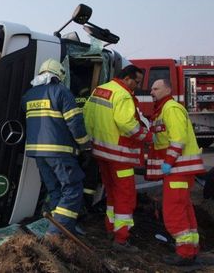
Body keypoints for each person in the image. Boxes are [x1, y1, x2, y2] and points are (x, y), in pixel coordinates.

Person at [83, 65, 150, 253]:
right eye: (136, 82)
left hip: (101, 153)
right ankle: (121, 239)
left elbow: (87, 116)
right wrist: (146, 136)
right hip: (120, 155)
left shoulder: (100, 90)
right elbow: (127, 124)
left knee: (112, 192)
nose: (137, 86)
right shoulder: (123, 95)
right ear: (127, 78)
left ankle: (110, 229)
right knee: (126, 195)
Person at [22, 58, 91, 236]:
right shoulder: (61, 92)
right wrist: (85, 146)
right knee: (73, 189)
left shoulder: (29, 95)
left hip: (37, 152)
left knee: (55, 190)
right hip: (59, 151)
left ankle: (63, 226)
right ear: (60, 75)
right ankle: (55, 233)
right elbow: (75, 123)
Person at [147, 79, 206, 266]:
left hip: (177, 169)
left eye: (156, 88)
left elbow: (178, 139)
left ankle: (185, 253)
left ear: (167, 89)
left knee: (173, 211)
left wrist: (168, 162)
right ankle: (191, 250)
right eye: (151, 88)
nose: (151, 91)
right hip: (179, 170)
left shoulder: (170, 108)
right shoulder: (164, 109)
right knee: (184, 209)